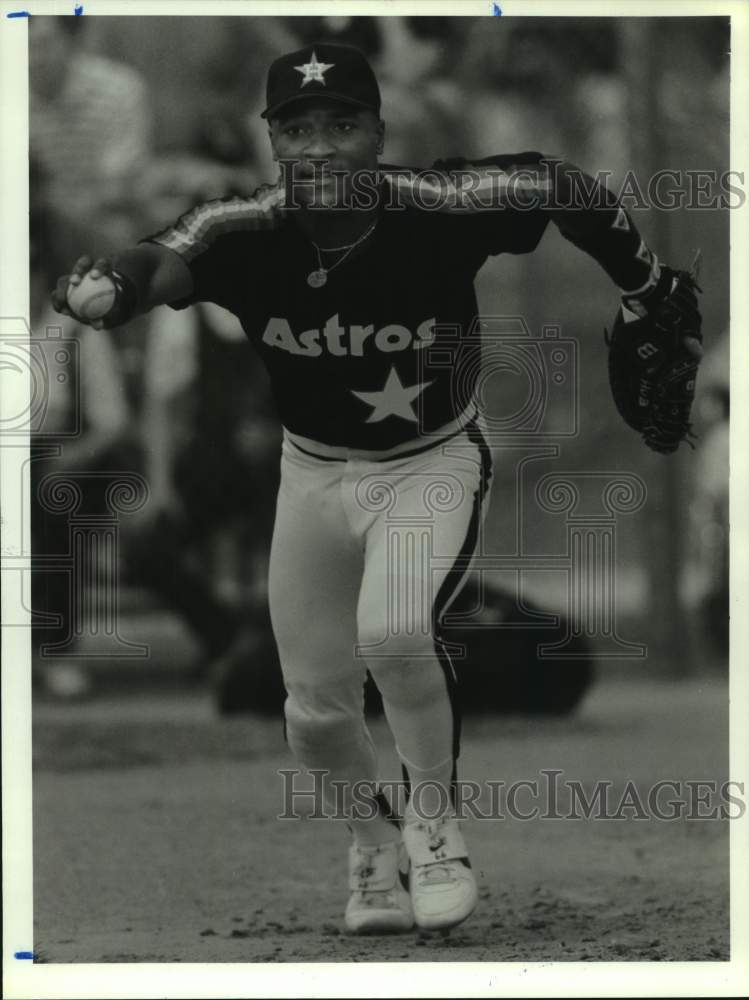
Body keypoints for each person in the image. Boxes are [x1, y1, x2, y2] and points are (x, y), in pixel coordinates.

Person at [52, 42, 699, 935]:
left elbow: (561, 186)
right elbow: (164, 258)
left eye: (342, 124)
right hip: (310, 475)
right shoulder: (244, 227)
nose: (321, 146)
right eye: (298, 127)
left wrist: (641, 288)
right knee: (312, 707)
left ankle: (435, 826)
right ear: (271, 138)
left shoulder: (437, 207)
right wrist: (112, 284)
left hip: (430, 461)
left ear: (377, 133)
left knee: (393, 634)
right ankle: (371, 846)